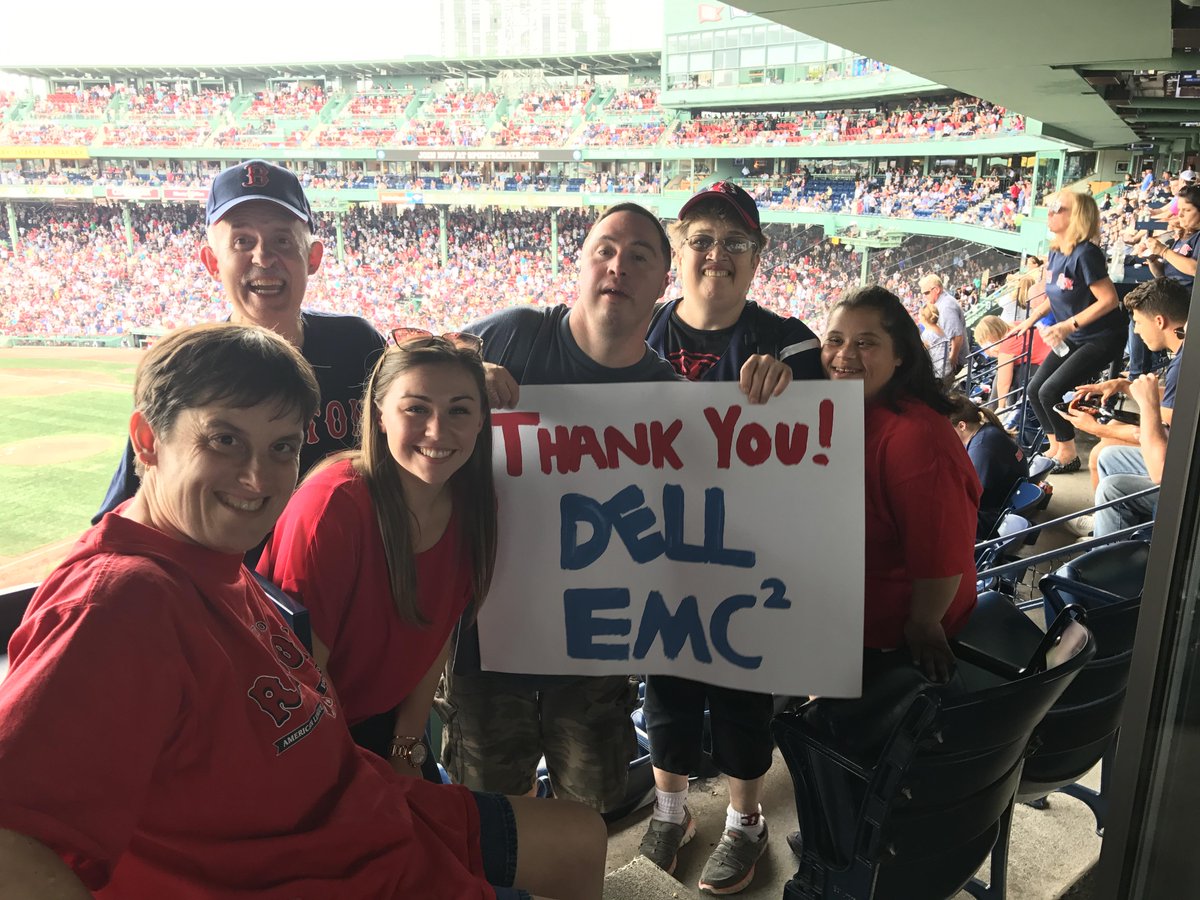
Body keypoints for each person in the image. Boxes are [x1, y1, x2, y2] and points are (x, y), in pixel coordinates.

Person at [0, 323, 606, 900]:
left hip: (362, 809)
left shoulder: (207, 554)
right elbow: (12, 842)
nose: (258, 477)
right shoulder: (116, 602)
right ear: (147, 440)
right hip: (310, 869)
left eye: (281, 446)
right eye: (224, 439)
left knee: (583, 838)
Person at [434, 203, 681, 823]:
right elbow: (403, 392)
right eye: (604, 249)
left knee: (586, 817)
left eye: (639, 256)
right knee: (489, 817)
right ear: (579, 264)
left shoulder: (675, 399)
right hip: (487, 646)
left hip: (595, 657)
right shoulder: (513, 332)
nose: (617, 266)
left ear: (663, 284)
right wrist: (464, 381)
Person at [639, 181, 820, 895]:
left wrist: (794, 387)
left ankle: (746, 823)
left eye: (734, 242)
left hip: (748, 556)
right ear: (678, 251)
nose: (716, 255)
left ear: (758, 255)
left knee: (743, 695)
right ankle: (671, 811)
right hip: (654, 549)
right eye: (702, 240)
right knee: (667, 688)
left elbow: (823, 450)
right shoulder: (636, 332)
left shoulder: (792, 342)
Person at [92, 159, 386, 525]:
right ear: (212, 262)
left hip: (352, 570)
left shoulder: (358, 344)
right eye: (242, 241)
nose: (263, 258)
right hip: (233, 579)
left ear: (312, 258)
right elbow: (120, 515)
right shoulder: (190, 369)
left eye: (282, 240)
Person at [258, 332, 496, 781]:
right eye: (416, 408)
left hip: (384, 729)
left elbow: (436, 637)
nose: (437, 430)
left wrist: (404, 749)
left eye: (459, 410)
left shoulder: (474, 506)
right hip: (303, 737)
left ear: (481, 420)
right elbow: (303, 680)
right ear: (380, 414)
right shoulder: (333, 507)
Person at [822, 286, 981, 683]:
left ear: (899, 355)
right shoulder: (858, 410)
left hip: (889, 649)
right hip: (851, 631)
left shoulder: (914, 437)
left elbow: (941, 558)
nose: (845, 354)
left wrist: (923, 625)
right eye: (836, 340)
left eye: (866, 343)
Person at [1058, 277, 1187, 536]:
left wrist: (1097, 428)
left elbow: (1161, 453)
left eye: (1138, 322)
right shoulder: (1185, 353)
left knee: (1112, 488)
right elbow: (1174, 402)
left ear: (1159, 321)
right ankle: (1111, 530)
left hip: (1182, 485)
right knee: (1107, 455)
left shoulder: (1184, 363)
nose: (1136, 331)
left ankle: (1110, 560)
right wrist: (1125, 386)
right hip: (1178, 461)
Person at [1014, 190, 1126, 475]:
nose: (1050, 213)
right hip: (1073, 338)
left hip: (1101, 338)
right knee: (1034, 389)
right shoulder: (1055, 252)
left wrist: (1067, 325)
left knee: (1051, 390)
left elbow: (1109, 299)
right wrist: (1033, 319)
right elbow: (1058, 292)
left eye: (1058, 208)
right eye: (1050, 208)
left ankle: (1069, 453)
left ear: (1077, 216)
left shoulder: (1087, 253)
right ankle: (1056, 447)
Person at [947, 393, 1028, 538]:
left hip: (994, 517)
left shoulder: (982, 448)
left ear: (962, 425)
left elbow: (973, 500)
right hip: (1002, 505)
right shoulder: (987, 432)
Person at [973, 315, 1050, 411]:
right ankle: (993, 411)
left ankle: (996, 413)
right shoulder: (1015, 325)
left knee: (1007, 378)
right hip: (1049, 357)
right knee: (1004, 373)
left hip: (1046, 365)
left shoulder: (1007, 346)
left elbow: (1003, 383)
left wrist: (1001, 408)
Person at [1144, 182, 1200, 291]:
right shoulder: (1183, 236)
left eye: (1187, 210)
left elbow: (1195, 269)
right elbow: (1164, 275)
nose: (1180, 215)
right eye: (1179, 210)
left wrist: (1163, 251)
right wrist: (1153, 260)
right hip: (1169, 293)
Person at [917, 273, 966, 384]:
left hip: (950, 362)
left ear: (937, 289)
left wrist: (953, 357)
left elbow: (957, 336)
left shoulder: (946, 307)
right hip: (944, 361)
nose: (925, 297)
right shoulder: (943, 301)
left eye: (926, 293)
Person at [919, 302, 955, 382]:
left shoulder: (927, 334)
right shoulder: (939, 329)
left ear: (924, 318)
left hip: (939, 376)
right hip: (948, 372)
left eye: (920, 315)